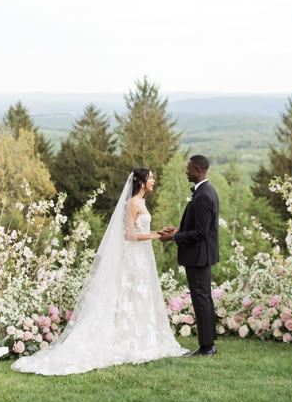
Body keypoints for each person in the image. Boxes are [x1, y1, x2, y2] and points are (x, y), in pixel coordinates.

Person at [11, 168, 188, 375]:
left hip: (142, 257)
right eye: (150, 178)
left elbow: (140, 231)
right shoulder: (131, 203)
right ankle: (127, 341)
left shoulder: (142, 202)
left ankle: (142, 338)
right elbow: (129, 235)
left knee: (141, 296)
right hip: (133, 257)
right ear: (141, 182)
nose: (153, 180)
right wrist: (156, 236)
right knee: (131, 296)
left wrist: (157, 232)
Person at [160, 155, 219, 356]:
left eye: (188, 168)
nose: (186, 171)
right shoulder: (205, 191)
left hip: (199, 257)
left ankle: (206, 347)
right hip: (200, 256)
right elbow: (198, 227)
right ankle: (209, 343)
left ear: (197, 169)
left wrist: (174, 237)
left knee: (201, 299)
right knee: (204, 298)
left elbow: (201, 233)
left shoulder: (203, 195)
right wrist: (178, 230)